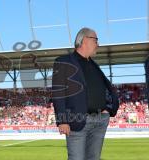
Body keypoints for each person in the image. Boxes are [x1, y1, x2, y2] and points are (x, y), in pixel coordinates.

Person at [52, 27, 119, 160]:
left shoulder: (94, 65)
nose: (98, 45)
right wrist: (62, 121)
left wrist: (109, 109)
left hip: (100, 120)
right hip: (77, 121)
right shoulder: (64, 61)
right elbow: (58, 93)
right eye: (96, 40)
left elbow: (107, 88)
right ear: (84, 40)